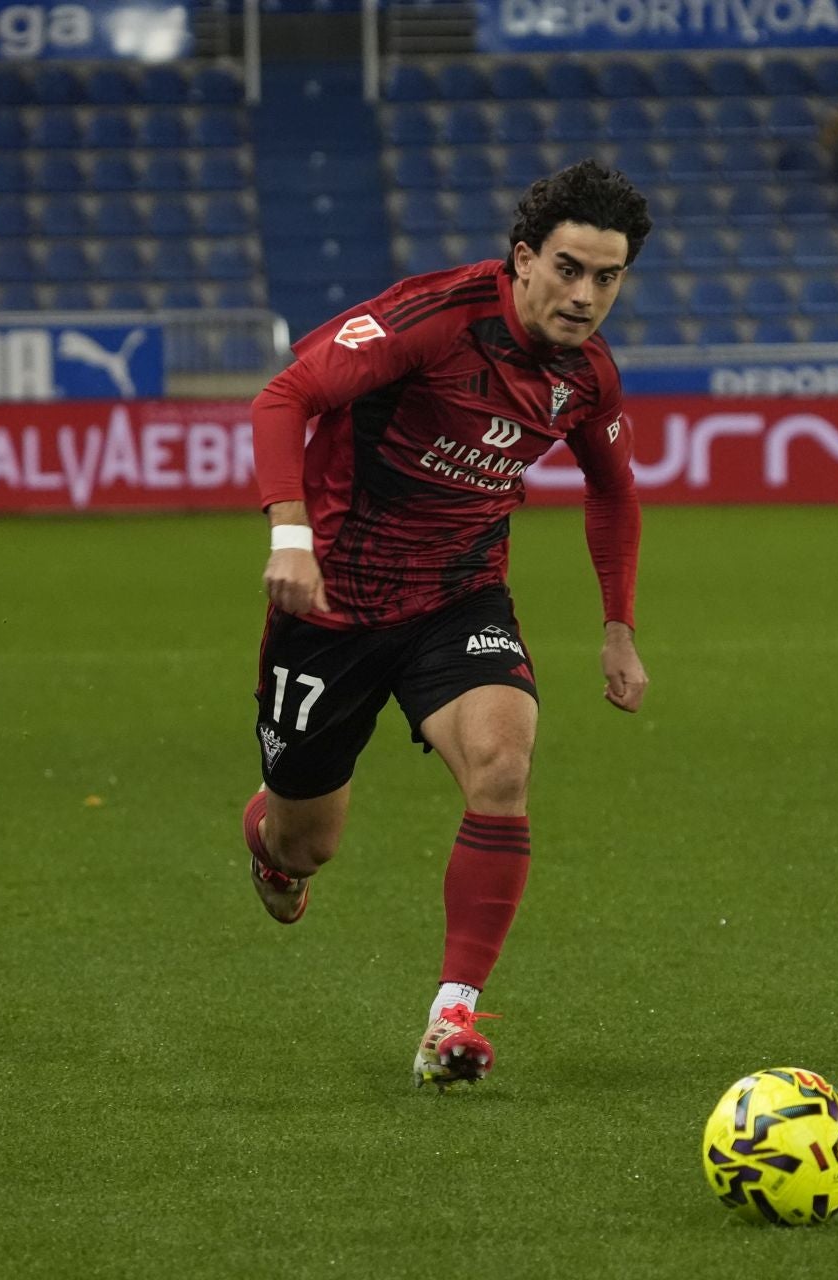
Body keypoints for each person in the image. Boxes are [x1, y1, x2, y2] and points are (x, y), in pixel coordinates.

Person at [242, 159, 649, 1090]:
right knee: (308, 840)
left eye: (608, 277)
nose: (586, 296)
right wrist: (291, 537)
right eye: (569, 269)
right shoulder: (428, 320)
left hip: (459, 599)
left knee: (505, 765)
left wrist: (617, 627)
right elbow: (284, 397)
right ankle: (270, 840)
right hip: (332, 606)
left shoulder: (587, 380)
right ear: (522, 259)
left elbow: (613, 492)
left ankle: (452, 1017)